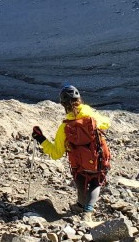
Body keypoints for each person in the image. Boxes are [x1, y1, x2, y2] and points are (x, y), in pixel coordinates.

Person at [32, 83, 111, 216]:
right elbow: (107, 123)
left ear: (63, 105)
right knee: (95, 182)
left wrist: (41, 138)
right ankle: (87, 211)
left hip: (78, 164)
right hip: (98, 159)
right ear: (79, 100)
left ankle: (80, 205)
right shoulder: (92, 117)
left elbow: (56, 154)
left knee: (80, 180)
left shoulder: (64, 127)